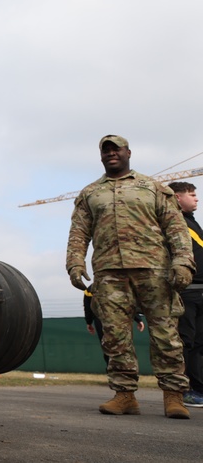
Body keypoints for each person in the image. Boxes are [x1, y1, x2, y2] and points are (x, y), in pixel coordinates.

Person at [66, 135, 195, 419]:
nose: (111, 153)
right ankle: (124, 395)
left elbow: (176, 228)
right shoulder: (90, 193)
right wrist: (74, 264)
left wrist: (183, 263)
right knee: (114, 336)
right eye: (106, 150)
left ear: (128, 153)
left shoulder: (153, 188)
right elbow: (78, 233)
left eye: (116, 149)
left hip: (155, 271)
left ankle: (174, 397)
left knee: (166, 335)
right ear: (101, 157)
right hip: (109, 273)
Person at [169, 181, 203, 408]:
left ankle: (200, 389)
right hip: (186, 293)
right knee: (185, 342)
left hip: (201, 291)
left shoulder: (193, 223)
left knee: (200, 343)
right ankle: (185, 390)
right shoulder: (172, 223)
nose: (196, 199)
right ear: (178, 198)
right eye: (192, 195)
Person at [83, 289, 144, 369]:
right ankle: (125, 372)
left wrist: (89, 322)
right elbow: (126, 303)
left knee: (108, 346)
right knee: (123, 345)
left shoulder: (91, 288)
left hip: (101, 321)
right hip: (119, 319)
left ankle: (113, 372)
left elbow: (88, 307)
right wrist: (138, 319)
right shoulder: (117, 284)